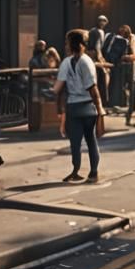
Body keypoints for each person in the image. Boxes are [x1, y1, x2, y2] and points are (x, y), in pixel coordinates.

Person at [52, 28, 105, 184]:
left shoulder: (70, 62)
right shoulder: (84, 61)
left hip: (75, 107)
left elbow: (58, 89)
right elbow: (93, 89)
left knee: (77, 142)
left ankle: (79, 171)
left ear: (72, 44)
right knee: (89, 140)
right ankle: (91, 173)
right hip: (87, 107)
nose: (66, 45)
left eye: (67, 42)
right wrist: (100, 109)